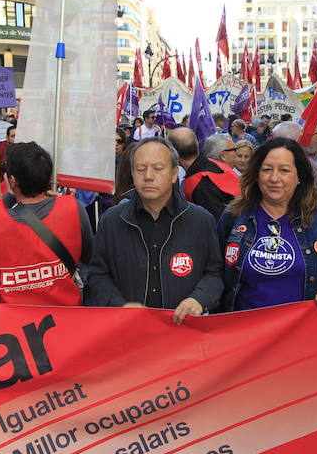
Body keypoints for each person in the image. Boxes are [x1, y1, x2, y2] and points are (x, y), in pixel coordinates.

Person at [86, 137, 223, 322]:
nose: (148, 176)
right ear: (132, 174)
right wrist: (119, 305)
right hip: (128, 331)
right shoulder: (111, 220)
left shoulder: (201, 220)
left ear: (175, 174)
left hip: (183, 333)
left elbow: (215, 273)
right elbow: (98, 275)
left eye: (158, 169)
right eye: (141, 169)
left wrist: (198, 299)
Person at [217, 137, 317, 312]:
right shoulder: (234, 216)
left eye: (284, 170)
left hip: (304, 332)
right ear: (256, 175)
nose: (274, 178)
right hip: (244, 331)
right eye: (266, 169)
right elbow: (216, 271)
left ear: (299, 176)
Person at [0, 142, 93, 305]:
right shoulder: (74, 209)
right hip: (67, 317)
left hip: (13, 322)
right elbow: (89, 255)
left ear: (12, 181)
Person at [168, 128, 239, 219]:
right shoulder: (218, 165)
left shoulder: (199, 185)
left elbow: (215, 224)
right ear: (197, 144)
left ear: (174, 154)